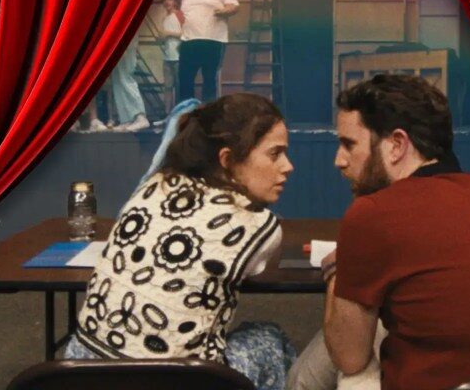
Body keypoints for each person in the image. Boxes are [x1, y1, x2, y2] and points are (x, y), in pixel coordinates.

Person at [287, 74, 470, 390]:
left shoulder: (374, 213)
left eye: (349, 144)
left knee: (344, 371)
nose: (339, 160)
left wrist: (338, 268)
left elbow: (349, 357)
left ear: (397, 145)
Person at [65, 93, 297, 390]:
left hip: (80, 373)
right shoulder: (257, 224)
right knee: (270, 338)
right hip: (177, 381)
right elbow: (253, 267)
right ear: (227, 159)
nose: (288, 166)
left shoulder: (155, 185)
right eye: (275, 154)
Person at [177, 0, 239, 102]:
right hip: (188, 41)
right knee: (185, 79)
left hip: (212, 40)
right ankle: (187, 111)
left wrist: (224, 11)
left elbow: (234, 6)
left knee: (209, 79)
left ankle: (209, 112)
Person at [111, 34, 150, 132]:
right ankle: (126, 119)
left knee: (126, 77)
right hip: (114, 39)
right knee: (117, 79)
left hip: (124, 37)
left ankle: (140, 117)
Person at [159, 0, 184, 118]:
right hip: (167, 57)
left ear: (174, 1)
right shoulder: (164, 18)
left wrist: (169, 33)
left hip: (179, 57)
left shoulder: (179, 15)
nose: (167, 2)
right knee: (167, 87)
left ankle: (180, 113)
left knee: (180, 86)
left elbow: (186, 34)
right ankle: (167, 113)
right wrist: (162, 37)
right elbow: (163, 37)